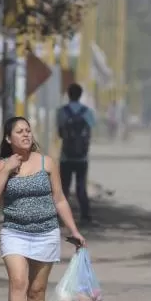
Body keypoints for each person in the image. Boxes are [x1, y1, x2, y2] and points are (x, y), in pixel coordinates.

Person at [0, 116, 87, 301]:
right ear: (8, 138)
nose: (26, 134)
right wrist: (7, 169)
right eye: (20, 131)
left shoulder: (46, 162)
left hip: (46, 233)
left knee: (37, 290)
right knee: (18, 282)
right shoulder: (1, 165)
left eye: (28, 130)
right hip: (14, 233)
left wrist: (73, 230)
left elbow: (59, 199)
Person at [56, 83, 96, 224]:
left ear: (68, 95)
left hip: (66, 157)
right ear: (80, 95)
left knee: (64, 188)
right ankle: (85, 216)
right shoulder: (87, 112)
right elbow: (90, 132)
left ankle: (60, 217)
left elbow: (60, 133)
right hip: (82, 158)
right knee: (81, 188)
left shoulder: (62, 112)